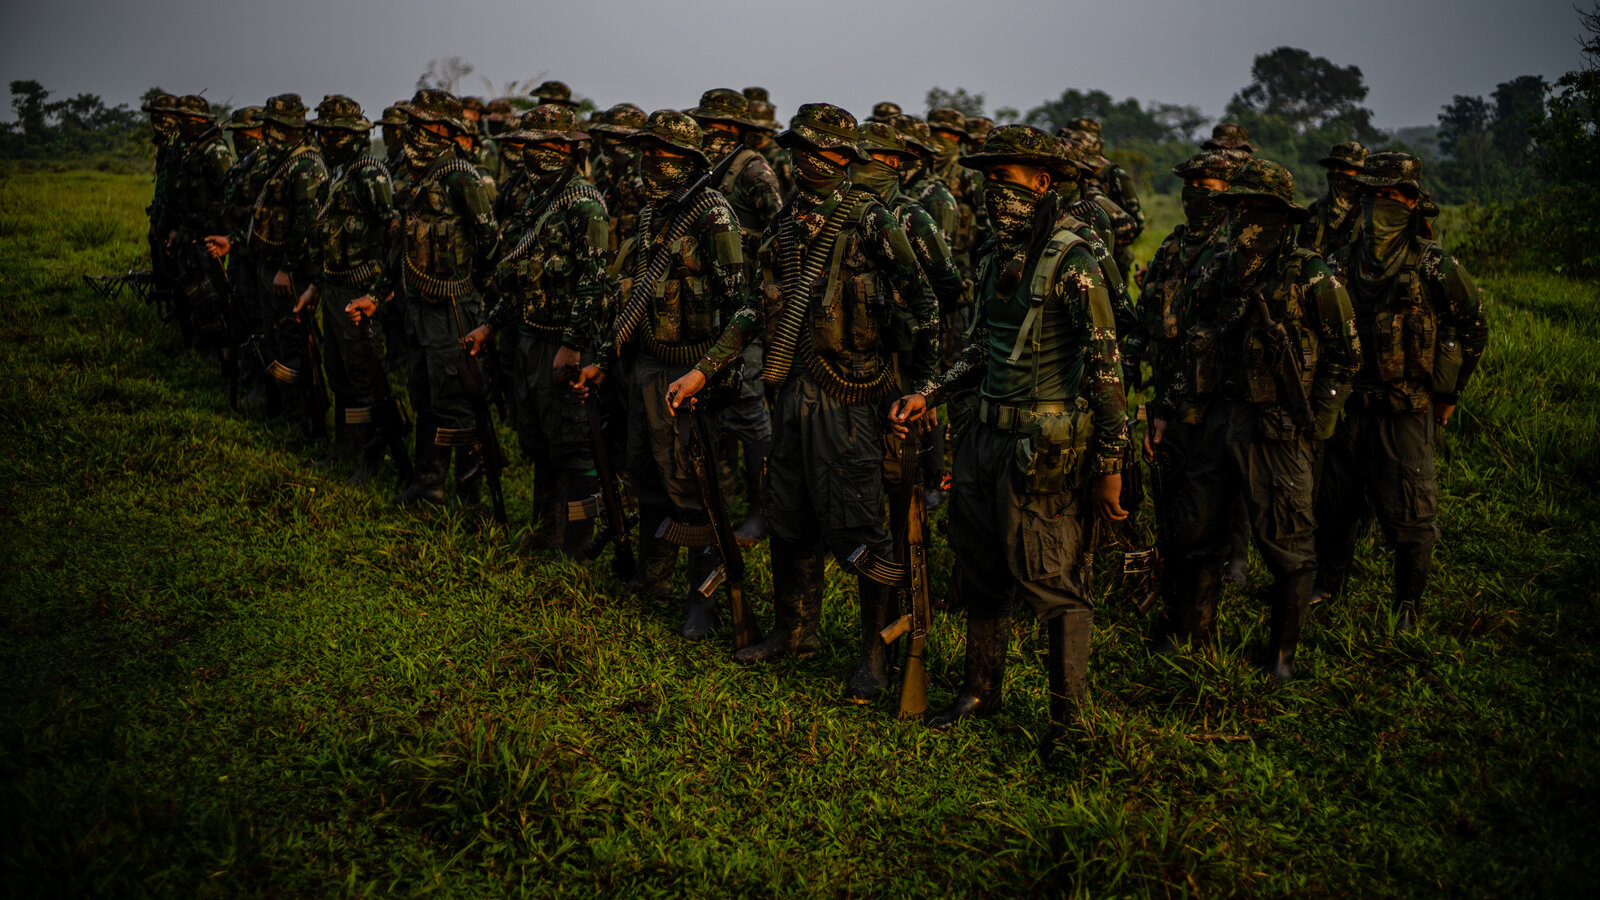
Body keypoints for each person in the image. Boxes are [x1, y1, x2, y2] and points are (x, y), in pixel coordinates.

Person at [664, 103, 937, 703]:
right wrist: (703, 371)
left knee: (862, 528)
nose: (809, 162)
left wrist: (924, 388)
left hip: (856, 398)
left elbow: (926, 305)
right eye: (801, 149)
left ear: (844, 159)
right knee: (788, 515)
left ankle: (877, 653)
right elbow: (750, 313)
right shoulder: (786, 226)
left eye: (822, 152)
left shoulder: (873, 220)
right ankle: (795, 631)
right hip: (791, 395)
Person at [887, 125, 1128, 737]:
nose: (995, 193)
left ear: (1043, 183)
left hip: (1041, 450)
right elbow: (979, 350)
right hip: (984, 441)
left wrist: (1111, 468)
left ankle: (1068, 715)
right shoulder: (996, 256)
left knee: (1052, 580)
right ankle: (978, 692)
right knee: (982, 568)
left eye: (1008, 180)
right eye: (987, 180)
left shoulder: (1075, 260)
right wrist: (929, 392)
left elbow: (1106, 373)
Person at [1146, 158, 1360, 682]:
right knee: (1195, 530)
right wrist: (1166, 410)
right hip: (1214, 418)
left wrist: (1319, 420)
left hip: (1279, 428)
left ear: (1283, 217)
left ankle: (1281, 657)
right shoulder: (1217, 269)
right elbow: (1196, 341)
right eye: (1239, 209)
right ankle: (1191, 636)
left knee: (1288, 543)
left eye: (1259, 210)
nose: (1248, 221)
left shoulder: (1312, 273)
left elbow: (1347, 354)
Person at [581, 109, 750, 635]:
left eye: (668, 155)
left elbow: (743, 309)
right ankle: (652, 580)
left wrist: (706, 374)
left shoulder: (713, 213)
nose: (656, 163)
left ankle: (703, 603)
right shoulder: (653, 211)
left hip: (689, 377)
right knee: (646, 474)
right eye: (649, 152)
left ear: (692, 161)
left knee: (693, 491)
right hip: (646, 367)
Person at [1316, 152, 1488, 632]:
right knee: (1335, 504)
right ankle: (1327, 585)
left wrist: (1450, 393)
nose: (1379, 207)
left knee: (1412, 512)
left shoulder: (1435, 265)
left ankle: (1407, 605)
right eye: (1371, 197)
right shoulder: (1341, 261)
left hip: (1407, 409)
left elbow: (1473, 327)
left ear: (1412, 204)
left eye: (1391, 198)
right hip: (1348, 409)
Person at [461, 104, 608, 549]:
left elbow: (595, 281)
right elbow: (523, 276)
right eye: (530, 146)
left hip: (564, 342)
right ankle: (547, 530)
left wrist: (573, 344)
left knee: (573, 444)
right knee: (540, 441)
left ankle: (579, 543)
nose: (535, 155)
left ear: (567, 148)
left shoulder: (586, 204)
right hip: (527, 336)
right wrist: (491, 325)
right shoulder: (535, 199)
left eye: (546, 146)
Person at [390, 90, 500, 509]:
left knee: (456, 398)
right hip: (419, 306)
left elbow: (491, 239)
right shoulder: (413, 174)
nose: (413, 132)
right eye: (412, 122)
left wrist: (474, 286)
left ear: (445, 130)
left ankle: (470, 496)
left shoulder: (461, 177)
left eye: (423, 124)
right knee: (425, 394)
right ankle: (427, 484)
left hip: (454, 309)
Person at [687, 88, 783, 543]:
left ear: (738, 132)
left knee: (747, 407)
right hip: (707, 303)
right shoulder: (702, 171)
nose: (710, 135)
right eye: (705, 126)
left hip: (746, 306)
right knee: (713, 408)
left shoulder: (754, 171)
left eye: (719, 128)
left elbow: (780, 238)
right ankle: (717, 502)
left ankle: (764, 509)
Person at [207, 94, 328, 435]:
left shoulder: (307, 165)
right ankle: (284, 409)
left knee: (294, 345)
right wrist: (234, 242)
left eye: (272, 125)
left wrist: (288, 268)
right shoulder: (281, 161)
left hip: (290, 272)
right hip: (270, 266)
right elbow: (262, 220)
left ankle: (303, 419)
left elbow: (308, 224)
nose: (266, 132)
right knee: (272, 339)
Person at [294, 95, 399, 484]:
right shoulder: (339, 173)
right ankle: (346, 448)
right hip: (335, 288)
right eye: (322, 131)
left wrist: (377, 292)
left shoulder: (370, 174)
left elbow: (391, 235)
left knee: (364, 375)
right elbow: (330, 241)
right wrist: (317, 287)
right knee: (338, 371)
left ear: (351, 135)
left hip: (360, 291)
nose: (323, 138)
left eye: (331, 132)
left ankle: (372, 458)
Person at [1298, 141, 1368, 256]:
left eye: (1343, 168)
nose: (1336, 172)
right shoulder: (1316, 209)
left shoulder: (1369, 215)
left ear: (1360, 174)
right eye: (1332, 168)